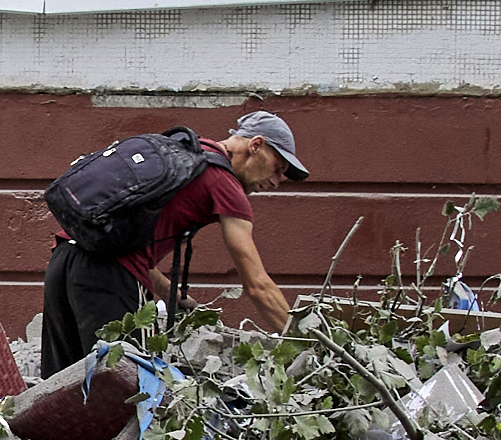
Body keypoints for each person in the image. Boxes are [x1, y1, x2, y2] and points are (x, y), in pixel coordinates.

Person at [39, 109, 306, 372]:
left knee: (61, 391)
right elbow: (258, 285)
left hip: (64, 260)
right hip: (108, 278)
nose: (277, 181)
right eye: (277, 168)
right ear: (256, 145)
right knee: (125, 392)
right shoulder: (225, 185)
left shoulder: (187, 151)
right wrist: (305, 343)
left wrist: (168, 291)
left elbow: (128, 238)